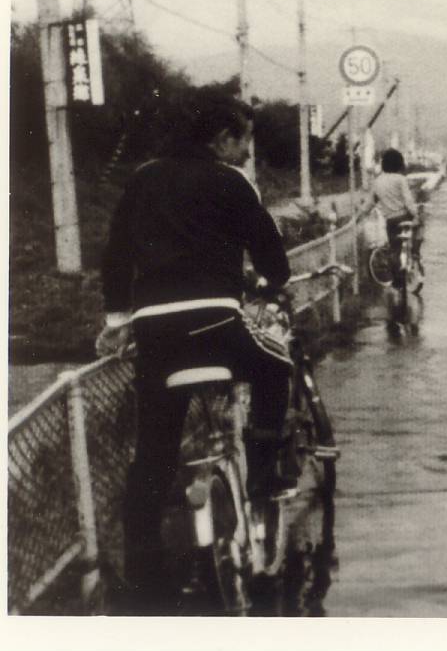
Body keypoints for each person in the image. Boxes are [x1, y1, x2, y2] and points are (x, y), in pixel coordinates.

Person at [98, 94, 294, 610]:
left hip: (154, 331)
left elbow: (115, 254)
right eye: (244, 139)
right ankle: (265, 472)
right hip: (217, 321)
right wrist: (273, 282)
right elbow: (271, 252)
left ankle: (141, 576)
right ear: (222, 139)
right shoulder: (231, 182)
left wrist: (118, 321)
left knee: (154, 450)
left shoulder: (142, 178)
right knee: (277, 369)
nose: (247, 151)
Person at [360, 147, 422, 288]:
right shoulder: (400, 179)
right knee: (419, 228)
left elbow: (369, 203)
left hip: (391, 221)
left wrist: (360, 214)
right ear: (399, 163)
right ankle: (416, 253)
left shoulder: (377, 182)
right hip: (404, 217)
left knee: (395, 248)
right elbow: (408, 200)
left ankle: (397, 279)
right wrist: (416, 215)